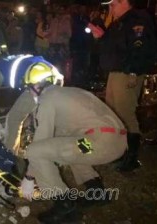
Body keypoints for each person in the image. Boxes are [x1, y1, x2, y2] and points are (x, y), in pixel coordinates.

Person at [18, 61, 127, 223]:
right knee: (71, 146)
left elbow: (40, 144)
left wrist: (28, 178)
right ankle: (97, 192)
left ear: (36, 85)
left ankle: (64, 204)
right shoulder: (69, 92)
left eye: (29, 88)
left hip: (99, 143)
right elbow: (60, 136)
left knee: (34, 151)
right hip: (115, 142)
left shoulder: (47, 99)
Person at [88, 0, 157, 172]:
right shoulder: (119, 22)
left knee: (125, 113)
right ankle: (121, 151)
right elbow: (115, 47)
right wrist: (101, 37)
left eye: (113, 5)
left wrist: (133, 72)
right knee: (114, 112)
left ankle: (132, 158)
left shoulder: (137, 19)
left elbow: (139, 48)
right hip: (116, 71)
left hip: (127, 73)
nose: (110, 9)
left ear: (125, 2)